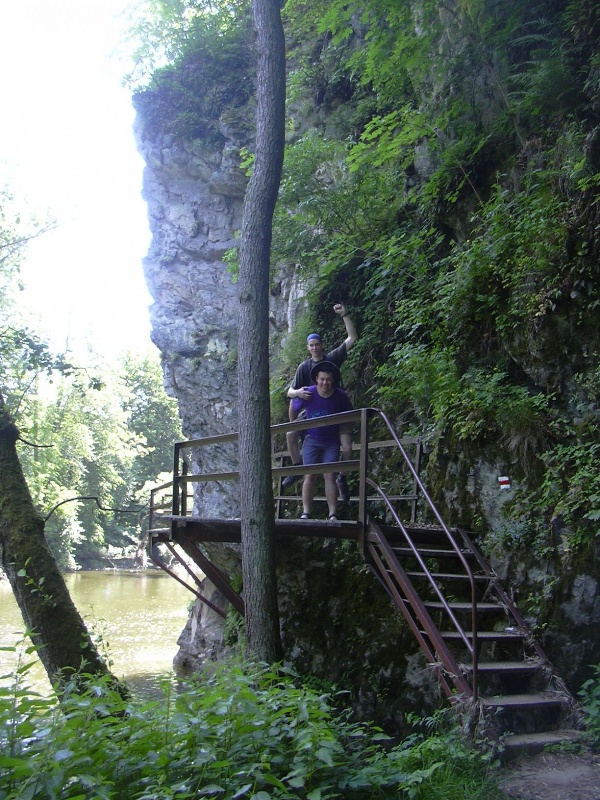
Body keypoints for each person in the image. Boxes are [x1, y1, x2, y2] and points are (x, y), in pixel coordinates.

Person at [282, 303, 357, 500]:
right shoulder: (304, 367)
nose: (315, 347)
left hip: (334, 408)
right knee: (290, 431)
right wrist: (298, 392)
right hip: (311, 410)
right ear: (308, 348)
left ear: (321, 345)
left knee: (347, 448)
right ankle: (298, 465)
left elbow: (352, 338)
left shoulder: (331, 359)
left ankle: (342, 478)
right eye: (311, 345)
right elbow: (289, 392)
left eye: (317, 344)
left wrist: (345, 314)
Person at [291, 361, 353, 521]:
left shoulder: (340, 396)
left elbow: (350, 414)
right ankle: (306, 512)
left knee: (329, 476)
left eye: (328, 379)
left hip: (331, 441)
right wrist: (294, 423)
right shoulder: (309, 393)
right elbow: (293, 403)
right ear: (316, 379)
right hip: (312, 439)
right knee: (309, 475)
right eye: (322, 379)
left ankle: (332, 513)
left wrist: (345, 431)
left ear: (333, 380)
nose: (325, 383)